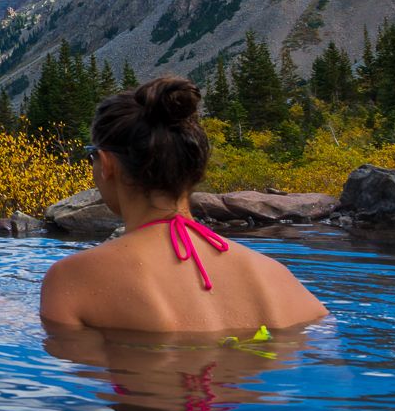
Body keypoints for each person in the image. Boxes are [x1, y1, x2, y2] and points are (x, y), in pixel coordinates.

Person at [39, 76, 327, 334]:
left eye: (92, 155)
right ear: (194, 167)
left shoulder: (72, 280)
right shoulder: (277, 277)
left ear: (107, 164)